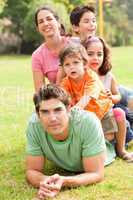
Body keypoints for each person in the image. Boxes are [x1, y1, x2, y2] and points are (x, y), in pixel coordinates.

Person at [26, 84, 107, 199]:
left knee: (117, 127)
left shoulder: (88, 122)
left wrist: (64, 181)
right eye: (45, 112)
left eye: (58, 110)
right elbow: (32, 171)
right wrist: (48, 182)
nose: (52, 118)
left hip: (105, 141)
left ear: (69, 109)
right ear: (38, 114)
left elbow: (96, 173)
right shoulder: (34, 125)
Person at [59, 42, 133, 162]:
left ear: (84, 64)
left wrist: (76, 108)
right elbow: (62, 97)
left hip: (102, 112)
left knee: (116, 119)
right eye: (67, 64)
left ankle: (121, 150)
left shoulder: (91, 77)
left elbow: (88, 96)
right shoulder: (65, 82)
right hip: (85, 116)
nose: (72, 67)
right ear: (63, 67)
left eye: (75, 63)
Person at [32, 6, 69, 92]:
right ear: (38, 29)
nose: (45, 23)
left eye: (49, 19)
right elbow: (39, 92)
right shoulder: (37, 55)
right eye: (41, 22)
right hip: (59, 100)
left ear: (58, 23)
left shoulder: (74, 43)